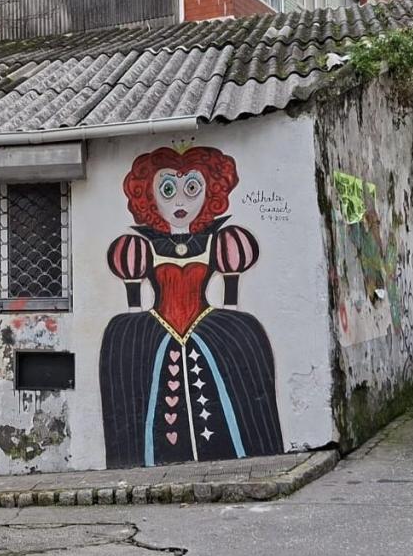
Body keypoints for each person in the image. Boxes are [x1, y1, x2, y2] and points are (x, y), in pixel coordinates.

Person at [98, 146, 284, 468]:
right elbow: (134, 291)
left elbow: (231, 289)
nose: (180, 202)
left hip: (208, 325)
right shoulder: (142, 246)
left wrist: (229, 318)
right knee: (125, 346)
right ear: (149, 196)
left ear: (211, 191)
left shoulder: (218, 241)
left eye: (192, 188)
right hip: (157, 326)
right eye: (167, 190)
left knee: (240, 354)